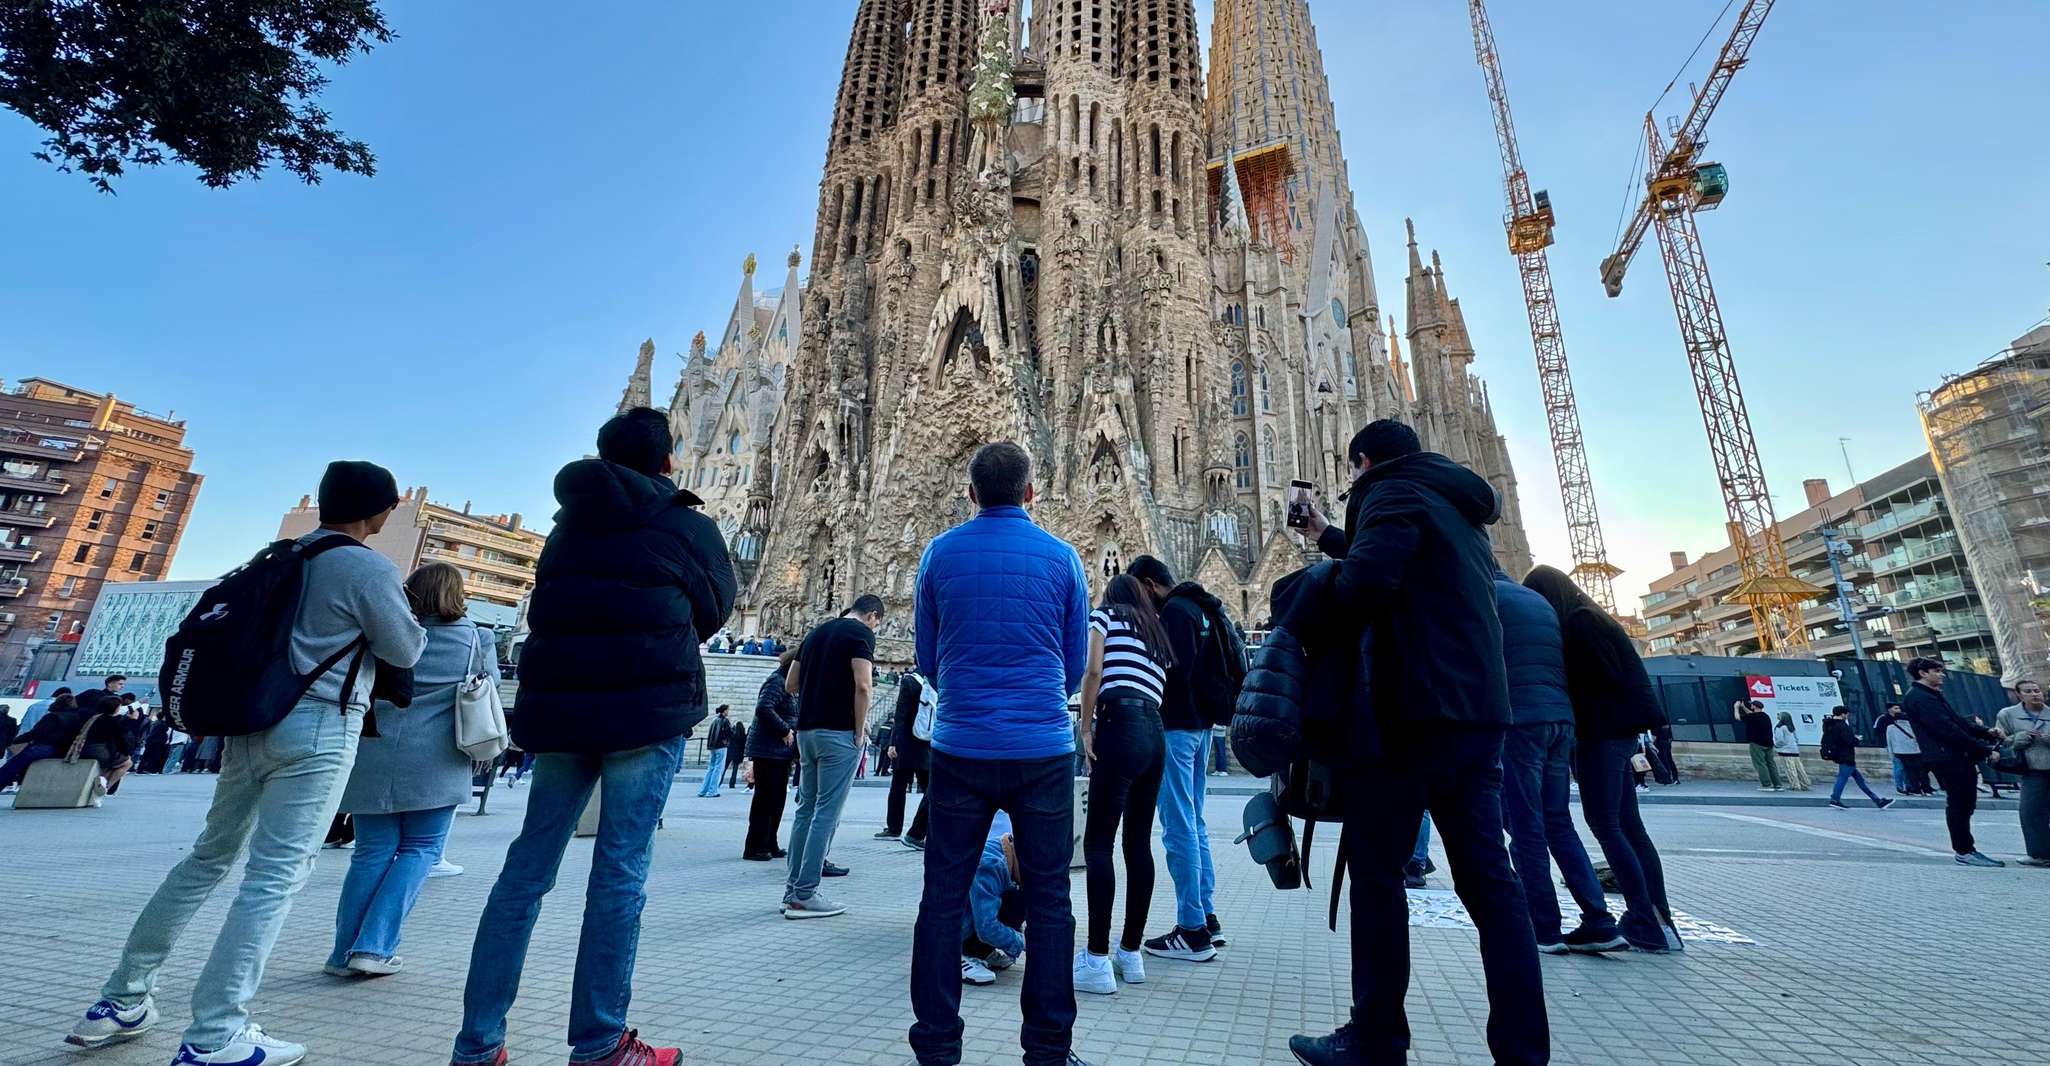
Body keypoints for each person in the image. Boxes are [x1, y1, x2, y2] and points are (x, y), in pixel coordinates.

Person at [67, 460, 427, 1064]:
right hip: (319, 726)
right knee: (275, 876)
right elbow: (405, 648)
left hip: (252, 721)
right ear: (379, 510)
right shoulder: (367, 567)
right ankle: (215, 1033)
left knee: (208, 857)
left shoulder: (277, 556)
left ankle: (121, 996)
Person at [451, 407, 735, 1066]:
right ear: (668, 462)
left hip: (564, 715)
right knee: (618, 874)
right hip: (646, 713)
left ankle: (477, 1045)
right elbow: (716, 607)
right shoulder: (686, 524)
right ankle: (602, 1043)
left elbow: (548, 609)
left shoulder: (565, 527)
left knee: (524, 873)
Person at [1291, 421, 1548, 1066]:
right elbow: (1402, 564)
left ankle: (1376, 1040)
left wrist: (1307, 592)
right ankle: (1523, 1051)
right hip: (1476, 716)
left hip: (1409, 715)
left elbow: (1367, 585)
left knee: (1377, 877)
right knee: (1492, 886)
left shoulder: (1389, 492)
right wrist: (1328, 536)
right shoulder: (1455, 507)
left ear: (1365, 461)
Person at [908, 441, 1094, 1066]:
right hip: (1042, 749)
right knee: (1050, 900)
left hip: (960, 748)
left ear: (971, 494)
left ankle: (937, 1047)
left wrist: (968, 693)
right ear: (1030, 493)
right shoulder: (1063, 559)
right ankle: (1048, 1050)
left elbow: (927, 657)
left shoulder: (938, 554)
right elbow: (1074, 663)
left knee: (942, 896)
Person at [326, 562, 497, 979]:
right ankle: (374, 947)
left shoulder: (384, 633)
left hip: (373, 753)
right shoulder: (477, 639)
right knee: (421, 849)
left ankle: (342, 953)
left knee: (371, 853)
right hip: (437, 759)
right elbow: (488, 686)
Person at [1526, 565, 1680, 959]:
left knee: (1606, 824)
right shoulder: (1592, 616)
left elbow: (1600, 674)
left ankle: (1644, 919)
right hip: (1618, 730)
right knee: (1627, 825)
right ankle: (1658, 922)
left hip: (1604, 732)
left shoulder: (1581, 622)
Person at [1492, 569, 1624, 955]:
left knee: (1525, 827)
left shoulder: (1488, 596)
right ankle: (1600, 921)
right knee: (1559, 823)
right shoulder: (1539, 603)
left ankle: (1544, 928)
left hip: (1521, 721)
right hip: (1559, 721)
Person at [1072, 574, 1171, 995]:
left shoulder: (1105, 616)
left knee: (1098, 844)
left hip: (1120, 725)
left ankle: (1096, 958)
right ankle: (1130, 953)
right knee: (1138, 845)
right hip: (1155, 734)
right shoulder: (1155, 631)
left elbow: (1093, 671)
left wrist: (1086, 726)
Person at [1125, 555, 1227, 959]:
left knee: (1178, 826)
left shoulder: (1174, 614)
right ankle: (1206, 916)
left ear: (1149, 585)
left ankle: (1192, 930)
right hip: (1202, 728)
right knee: (1194, 822)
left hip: (1178, 729)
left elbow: (1172, 673)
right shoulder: (1201, 607)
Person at [780, 595, 882, 917]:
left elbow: (790, 684)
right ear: (872, 616)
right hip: (838, 733)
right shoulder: (861, 634)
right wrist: (859, 730)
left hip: (807, 732)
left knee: (805, 810)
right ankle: (806, 893)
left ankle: (791, 890)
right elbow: (863, 686)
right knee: (826, 813)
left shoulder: (816, 632)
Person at [1901, 656, 2005, 868]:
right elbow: (1946, 729)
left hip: (1954, 755)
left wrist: (1986, 732)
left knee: (1965, 802)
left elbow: (1956, 721)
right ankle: (1964, 850)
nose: (1942, 675)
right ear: (1923, 673)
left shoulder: (1931, 695)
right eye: (1937, 671)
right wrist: (1983, 749)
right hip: (1947, 757)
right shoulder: (1920, 697)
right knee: (1959, 803)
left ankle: (1966, 849)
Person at [743, 650, 799, 861]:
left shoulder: (789, 684)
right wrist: (784, 730)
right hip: (768, 750)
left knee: (777, 799)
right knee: (765, 800)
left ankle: (770, 842)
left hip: (780, 752)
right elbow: (764, 708)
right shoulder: (777, 681)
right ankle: (755, 846)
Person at [962, 812, 1025, 989]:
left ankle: (982, 950)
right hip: (953, 926)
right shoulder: (989, 862)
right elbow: (987, 926)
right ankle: (959, 953)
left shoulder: (1008, 854)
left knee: (1022, 897)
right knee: (1018, 898)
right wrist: (1024, 941)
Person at [1992, 679, 2049, 865]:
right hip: (2032, 770)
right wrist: (2018, 739)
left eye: (2037, 690)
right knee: (2031, 812)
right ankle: (2039, 855)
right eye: (2028, 691)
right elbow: (2001, 741)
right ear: (2019, 695)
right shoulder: (2008, 714)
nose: (2035, 694)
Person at [881, 671, 933, 848]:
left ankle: (894, 827)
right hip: (926, 742)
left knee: (898, 786)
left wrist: (893, 743)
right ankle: (926, 829)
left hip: (906, 743)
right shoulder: (932, 681)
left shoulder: (909, 681)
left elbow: (901, 714)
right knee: (930, 790)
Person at [1820, 705, 1895, 812]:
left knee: (1860, 781)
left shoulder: (1829, 725)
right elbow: (1849, 741)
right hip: (1846, 755)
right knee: (1842, 778)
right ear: (1843, 714)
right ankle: (1835, 799)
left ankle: (1878, 801)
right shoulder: (1842, 725)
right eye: (1847, 714)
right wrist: (1857, 739)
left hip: (1838, 755)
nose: (1848, 716)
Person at [1880, 703, 1928, 795]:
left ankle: (1905, 787)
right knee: (1912, 769)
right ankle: (1913, 787)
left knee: (1904, 769)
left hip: (1899, 751)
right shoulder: (1884, 720)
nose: (1898, 710)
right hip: (1914, 751)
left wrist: (1891, 752)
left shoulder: (1891, 727)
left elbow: (1889, 740)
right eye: (1896, 708)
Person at [1737, 699, 1782, 791]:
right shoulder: (1765, 716)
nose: (1751, 706)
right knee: (1771, 764)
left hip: (1757, 743)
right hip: (1768, 743)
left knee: (1760, 764)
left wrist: (1736, 707)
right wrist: (1743, 707)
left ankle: (1766, 784)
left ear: (1754, 706)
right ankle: (1777, 784)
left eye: (1752, 705)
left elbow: (1737, 717)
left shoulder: (1753, 717)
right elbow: (1751, 714)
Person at [696, 706, 733, 798]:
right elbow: (730, 733)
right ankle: (712, 791)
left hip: (713, 746)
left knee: (711, 768)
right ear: (724, 711)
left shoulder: (714, 720)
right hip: (721, 746)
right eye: (728, 710)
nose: (728, 712)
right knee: (718, 769)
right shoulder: (725, 721)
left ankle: (703, 790)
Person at [1773, 712, 1813, 791]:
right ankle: (1805, 783)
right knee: (1799, 768)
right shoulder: (1791, 727)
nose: (1777, 715)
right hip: (1794, 750)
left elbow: (1780, 740)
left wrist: (1776, 745)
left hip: (1785, 751)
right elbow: (1796, 739)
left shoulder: (1780, 727)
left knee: (1790, 769)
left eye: (1779, 715)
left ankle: (1795, 785)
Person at [725, 717, 748, 791]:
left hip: (730, 753)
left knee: (724, 769)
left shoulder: (733, 735)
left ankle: (719, 782)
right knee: (735, 770)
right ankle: (732, 783)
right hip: (738, 754)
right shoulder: (743, 736)